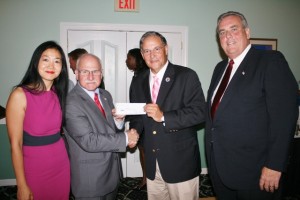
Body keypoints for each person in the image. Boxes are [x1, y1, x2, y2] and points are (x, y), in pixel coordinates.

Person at [205, 11, 299, 200]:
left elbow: (284, 118)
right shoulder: (220, 68)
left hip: (256, 171)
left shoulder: (270, 61)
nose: (227, 36)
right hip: (220, 167)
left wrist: (275, 165)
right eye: (222, 32)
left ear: (247, 32)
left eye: (233, 29)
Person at [129, 31, 206, 200]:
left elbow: (200, 112)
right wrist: (133, 130)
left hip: (180, 162)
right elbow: (137, 116)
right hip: (152, 162)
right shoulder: (138, 80)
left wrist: (164, 116)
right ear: (142, 54)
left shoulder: (186, 76)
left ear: (166, 49)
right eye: (147, 51)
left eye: (156, 49)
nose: (152, 55)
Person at [63, 53, 139, 200]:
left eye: (95, 71)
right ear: (77, 74)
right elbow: (89, 141)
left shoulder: (105, 95)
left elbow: (111, 129)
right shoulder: (71, 102)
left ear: (102, 74)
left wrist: (118, 121)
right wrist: (125, 138)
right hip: (90, 179)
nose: (91, 76)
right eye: (85, 71)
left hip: (111, 173)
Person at [6, 41, 70, 200]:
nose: (51, 65)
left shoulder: (58, 93)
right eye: (45, 59)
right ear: (36, 63)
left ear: (62, 68)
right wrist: (21, 184)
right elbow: (15, 145)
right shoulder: (20, 95)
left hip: (61, 164)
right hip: (34, 167)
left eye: (57, 61)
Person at [126, 48, 148, 190]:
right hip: (139, 120)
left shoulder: (145, 75)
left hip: (145, 122)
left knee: (145, 153)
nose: (126, 61)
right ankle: (145, 179)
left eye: (129, 58)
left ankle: (147, 180)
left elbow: (143, 103)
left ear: (137, 59)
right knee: (142, 152)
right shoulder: (137, 75)